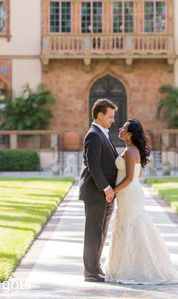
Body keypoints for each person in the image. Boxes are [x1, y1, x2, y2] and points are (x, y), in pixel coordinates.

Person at [104, 119, 178, 285]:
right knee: (129, 225)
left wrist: (113, 191)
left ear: (129, 134)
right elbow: (137, 175)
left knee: (132, 226)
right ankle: (130, 266)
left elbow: (131, 177)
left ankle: (136, 268)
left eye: (124, 127)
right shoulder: (130, 150)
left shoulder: (131, 151)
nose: (120, 128)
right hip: (128, 194)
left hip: (129, 194)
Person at [78, 98, 118, 283]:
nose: (113, 120)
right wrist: (106, 188)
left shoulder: (104, 134)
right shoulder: (93, 135)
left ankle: (96, 268)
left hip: (106, 194)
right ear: (100, 115)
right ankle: (90, 272)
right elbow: (94, 166)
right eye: (110, 116)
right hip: (96, 192)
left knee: (101, 232)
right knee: (93, 232)